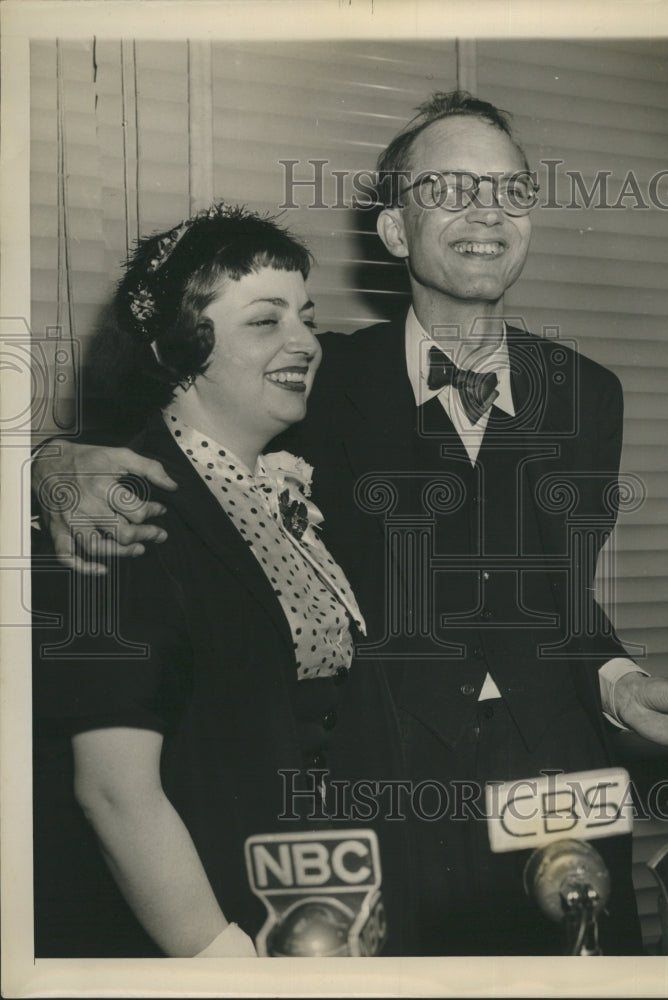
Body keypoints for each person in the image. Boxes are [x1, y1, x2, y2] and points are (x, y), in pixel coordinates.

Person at [32, 93, 668, 955]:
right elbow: (176, 438)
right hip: (390, 792)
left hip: (559, 781)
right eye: (450, 189)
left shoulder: (587, 393)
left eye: (510, 191)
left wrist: (620, 686)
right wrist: (48, 463)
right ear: (396, 232)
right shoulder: (309, 377)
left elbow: (555, 600)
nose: (486, 212)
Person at [32, 205, 410, 958]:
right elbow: (114, 793)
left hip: (319, 915)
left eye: (306, 316)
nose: (305, 341)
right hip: (206, 934)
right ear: (177, 351)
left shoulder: (285, 487)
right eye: (264, 321)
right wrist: (220, 961)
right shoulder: (121, 510)